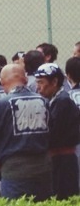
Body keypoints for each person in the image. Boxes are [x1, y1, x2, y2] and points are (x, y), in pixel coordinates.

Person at [0, 63, 52, 201]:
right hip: (44, 168)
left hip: (14, 171)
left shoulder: (2, 105)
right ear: (25, 79)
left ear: (2, 82)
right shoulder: (44, 101)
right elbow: (52, 133)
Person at [34, 63, 79, 199]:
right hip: (61, 159)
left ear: (54, 82)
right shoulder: (56, 100)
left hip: (62, 161)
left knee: (62, 198)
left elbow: (53, 135)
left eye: (41, 82)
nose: (38, 87)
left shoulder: (62, 101)